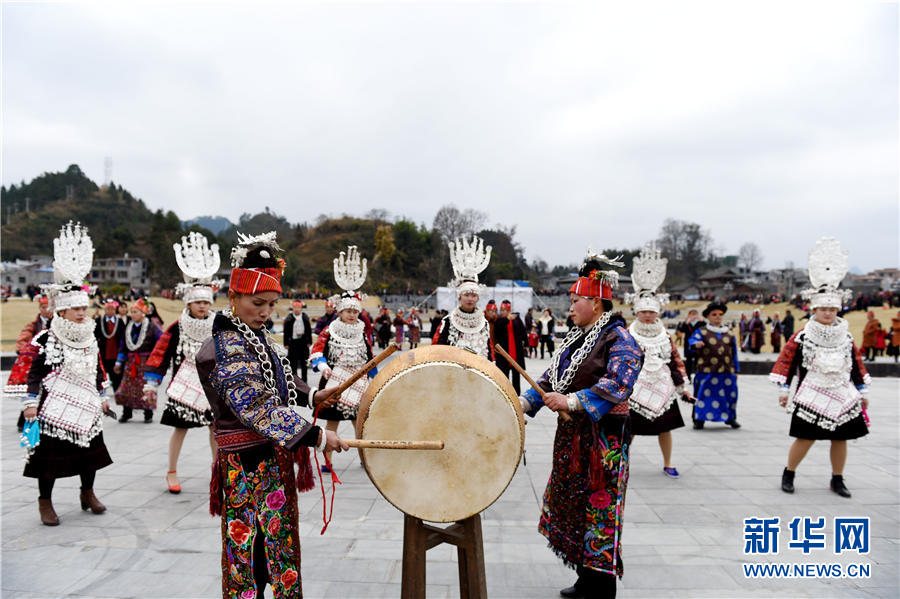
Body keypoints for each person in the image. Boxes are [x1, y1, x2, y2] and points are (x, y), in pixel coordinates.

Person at [195, 230, 348, 598]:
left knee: (276, 550)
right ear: (233, 296)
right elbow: (256, 404)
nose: (265, 312)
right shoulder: (222, 348)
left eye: (271, 304)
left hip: (272, 457)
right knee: (249, 554)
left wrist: (312, 394)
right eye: (257, 303)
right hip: (246, 464)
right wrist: (318, 436)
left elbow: (275, 378)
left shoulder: (255, 337)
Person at [518, 249, 642, 599]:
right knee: (576, 506)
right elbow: (552, 377)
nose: (569, 307)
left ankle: (602, 587)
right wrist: (526, 401)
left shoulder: (620, 339)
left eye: (576, 301)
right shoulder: (577, 338)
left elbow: (619, 383)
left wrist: (571, 401)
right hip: (573, 438)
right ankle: (585, 578)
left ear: (596, 304)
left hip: (604, 445)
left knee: (600, 509)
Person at [21, 222, 111, 526]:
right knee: (49, 457)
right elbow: (35, 372)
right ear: (61, 311)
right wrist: (31, 402)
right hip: (56, 402)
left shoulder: (90, 335)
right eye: (76, 310)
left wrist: (103, 396)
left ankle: (88, 493)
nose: (83, 314)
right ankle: (44, 501)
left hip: (86, 400)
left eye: (84, 309)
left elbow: (97, 370)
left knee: (90, 451)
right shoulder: (48, 337)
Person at [771, 237, 869, 498]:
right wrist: (784, 388)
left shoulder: (845, 336)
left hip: (841, 391)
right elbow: (787, 363)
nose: (828, 313)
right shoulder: (803, 335)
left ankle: (837, 479)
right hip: (811, 392)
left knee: (841, 438)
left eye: (832, 309)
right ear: (814, 309)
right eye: (823, 308)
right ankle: (789, 472)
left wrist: (862, 391)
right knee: (806, 437)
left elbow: (855, 366)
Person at [143, 232, 221, 494]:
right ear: (189, 302)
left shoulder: (218, 326)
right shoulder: (177, 327)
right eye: (198, 302)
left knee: (216, 428)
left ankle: (217, 470)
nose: (202, 306)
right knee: (180, 428)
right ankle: (172, 471)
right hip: (184, 382)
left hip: (212, 383)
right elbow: (160, 355)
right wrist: (151, 383)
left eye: (205, 302)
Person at [625, 243, 694, 478]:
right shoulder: (627, 333)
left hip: (662, 386)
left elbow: (675, 360)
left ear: (657, 312)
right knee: (630, 428)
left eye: (651, 311)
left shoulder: (665, 335)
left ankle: (668, 462)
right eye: (643, 311)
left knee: (666, 428)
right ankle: (621, 462)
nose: (647, 315)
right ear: (637, 311)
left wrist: (683, 387)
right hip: (635, 387)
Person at [432, 236, 493, 359]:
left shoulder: (484, 323)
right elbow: (437, 349)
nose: (470, 299)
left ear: (478, 298)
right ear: (459, 297)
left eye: (473, 295)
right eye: (466, 295)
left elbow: (489, 352)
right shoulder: (448, 321)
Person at [689, 301, 741, 429]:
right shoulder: (701, 331)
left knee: (730, 395)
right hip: (707, 370)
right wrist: (696, 344)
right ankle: (699, 418)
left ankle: (730, 418)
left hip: (727, 371)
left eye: (720, 314)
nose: (718, 316)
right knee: (703, 395)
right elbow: (692, 341)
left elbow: (734, 353)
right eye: (714, 314)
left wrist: (736, 370)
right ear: (708, 317)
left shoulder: (729, 333)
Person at [7, 294, 53, 431]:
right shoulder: (33, 325)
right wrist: (30, 352)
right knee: (33, 392)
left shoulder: (56, 322)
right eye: (43, 307)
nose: (46, 310)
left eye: (48, 307)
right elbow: (22, 341)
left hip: (50, 363)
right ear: (40, 308)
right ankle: (23, 421)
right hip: (35, 362)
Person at [114, 299, 162, 423]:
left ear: (143, 313)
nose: (133, 314)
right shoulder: (128, 327)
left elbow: (160, 344)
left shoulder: (151, 327)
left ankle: (148, 413)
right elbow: (122, 345)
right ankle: (127, 412)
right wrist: (119, 362)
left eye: (135, 312)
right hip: (131, 363)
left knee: (146, 387)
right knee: (127, 388)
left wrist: (155, 361)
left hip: (145, 363)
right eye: (132, 312)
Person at [494, 300, 527, 393]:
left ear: (509, 310)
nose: (502, 312)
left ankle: (517, 395)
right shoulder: (499, 320)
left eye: (504, 310)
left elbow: (523, 331)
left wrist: (526, 343)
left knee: (516, 378)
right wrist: (507, 319)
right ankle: (505, 394)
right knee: (504, 378)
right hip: (504, 354)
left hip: (516, 353)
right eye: (501, 310)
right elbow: (497, 330)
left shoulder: (516, 319)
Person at [94, 299, 125, 391]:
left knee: (116, 376)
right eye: (108, 309)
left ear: (115, 310)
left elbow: (123, 337)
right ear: (105, 309)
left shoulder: (119, 322)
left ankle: (116, 390)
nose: (110, 311)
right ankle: (99, 391)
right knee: (100, 375)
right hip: (102, 353)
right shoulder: (99, 321)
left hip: (115, 353)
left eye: (112, 309)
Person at [283, 300, 312, 383]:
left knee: (304, 363)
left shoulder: (305, 317)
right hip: (293, 342)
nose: (296, 309)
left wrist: (309, 341)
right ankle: (295, 381)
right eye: (295, 308)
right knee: (293, 363)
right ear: (292, 308)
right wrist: (286, 343)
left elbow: (309, 330)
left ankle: (304, 381)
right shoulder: (289, 318)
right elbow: (286, 332)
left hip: (303, 342)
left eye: (298, 308)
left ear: (301, 308)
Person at [676, 309, 704, 379]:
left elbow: (705, 328)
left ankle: (698, 375)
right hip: (688, 344)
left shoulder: (700, 322)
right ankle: (688, 376)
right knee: (688, 361)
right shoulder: (686, 323)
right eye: (691, 314)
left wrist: (702, 321)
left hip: (697, 344)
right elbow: (681, 330)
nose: (693, 316)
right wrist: (686, 322)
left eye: (695, 314)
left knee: (698, 360)